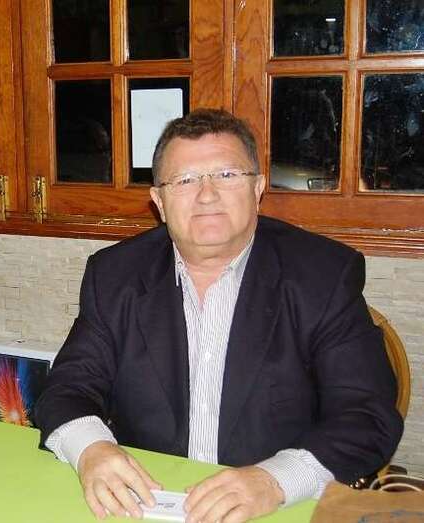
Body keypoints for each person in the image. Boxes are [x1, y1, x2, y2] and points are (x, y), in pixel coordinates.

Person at [35, 109, 402, 522]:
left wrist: (276, 480)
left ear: (258, 188)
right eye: (185, 180)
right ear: (159, 201)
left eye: (227, 175)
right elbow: (66, 388)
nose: (206, 195)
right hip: (150, 503)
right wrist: (92, 450)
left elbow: (366, 415)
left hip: (276, 508)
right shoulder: (115, 275)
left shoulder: (323, 276)